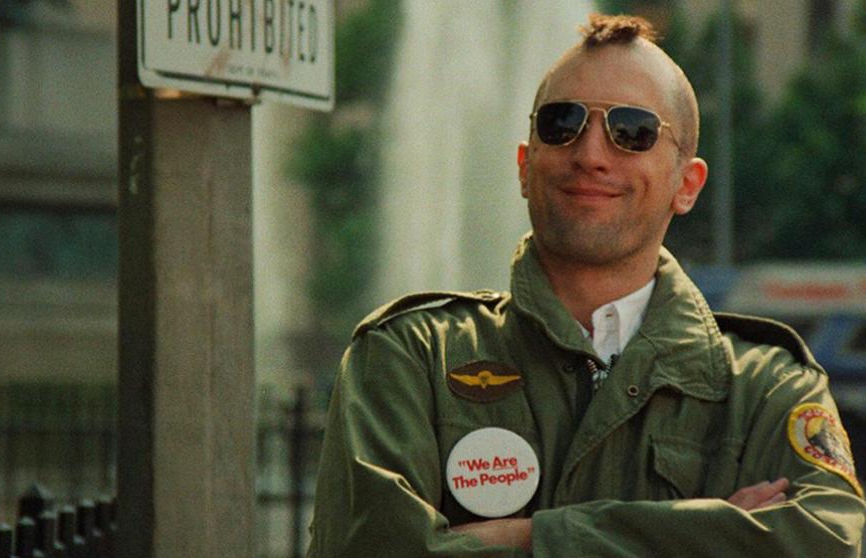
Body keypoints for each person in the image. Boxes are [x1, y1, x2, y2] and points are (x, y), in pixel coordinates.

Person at [306, 13, 866, 557]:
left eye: (632, 131)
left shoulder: (767, 388)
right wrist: (709, 533)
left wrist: (527, 537)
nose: (591, 154)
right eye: (562, 124)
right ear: (525, 166)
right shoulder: (411, 357)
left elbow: (825, 542)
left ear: (687, 184)